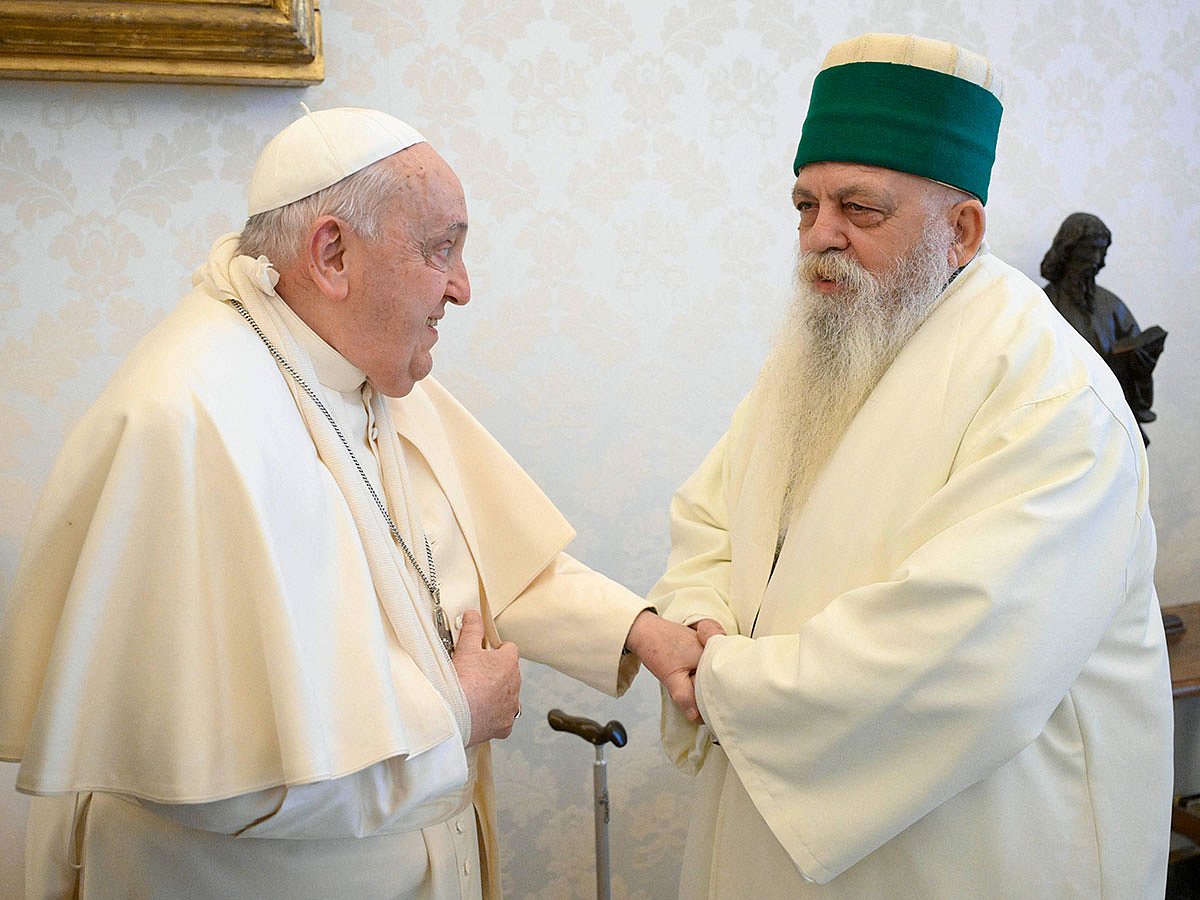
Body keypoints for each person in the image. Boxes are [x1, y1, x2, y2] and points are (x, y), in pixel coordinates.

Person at [0, 107, 703, 900]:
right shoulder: (192, 417)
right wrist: (457, 721)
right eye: (443, 249)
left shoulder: (351, 365)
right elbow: (217, 779)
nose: (463, 289)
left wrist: (641, 632)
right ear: (332, 253)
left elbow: (479, 556)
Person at [649, 33, 1174, 900]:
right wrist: (700, 614)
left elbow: (966, 661)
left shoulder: (1048, 394)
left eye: (860, 210)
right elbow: (711, 517)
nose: (822, 237)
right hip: (777, 810)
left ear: (961, 229)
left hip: (969, 853)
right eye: (806, 205)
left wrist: (722, 677)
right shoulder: (819, 352)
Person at [1041, 211, 1166, 442]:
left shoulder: (1113, 307)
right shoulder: (1042, 306)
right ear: (1068, 249)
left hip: (1112, 425)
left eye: (1102, 250)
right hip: (1065, 427)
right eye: (1090, 249)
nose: (1097, 260)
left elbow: (1139, 387)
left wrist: (1141, 368)